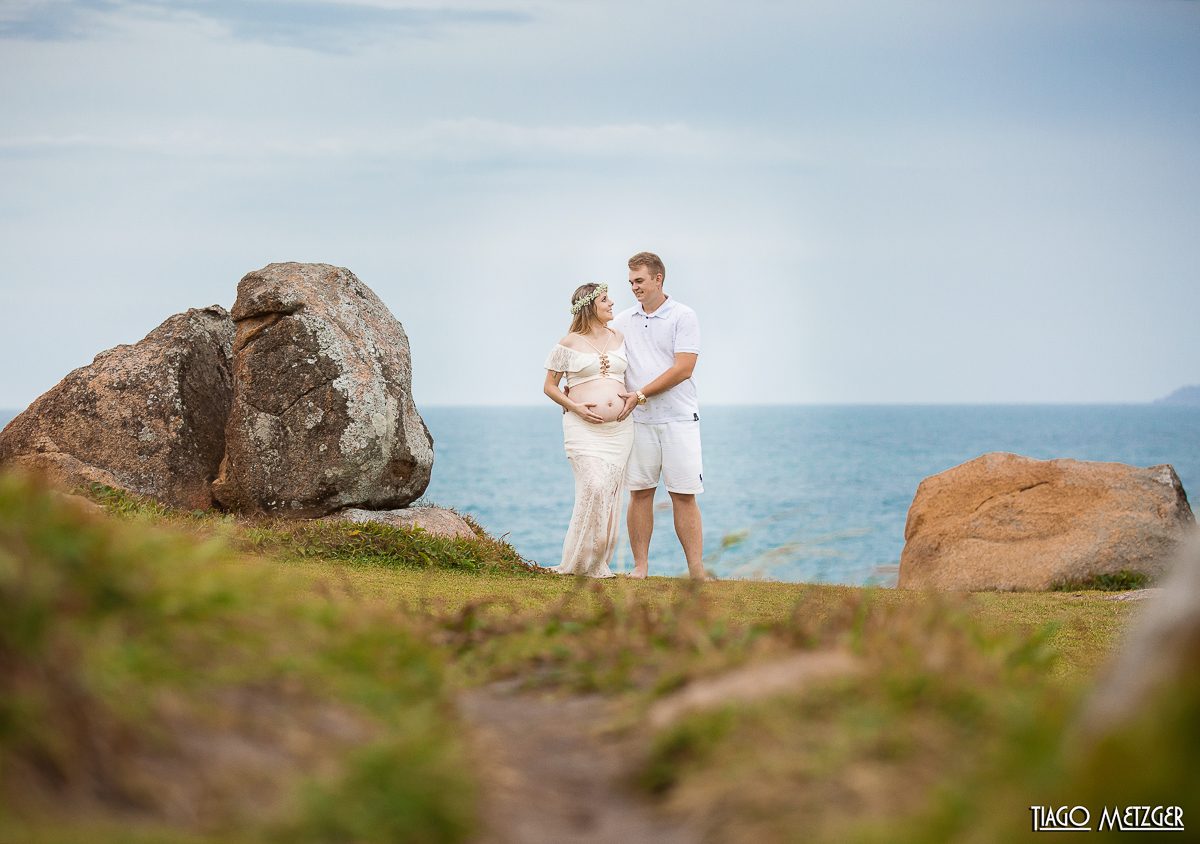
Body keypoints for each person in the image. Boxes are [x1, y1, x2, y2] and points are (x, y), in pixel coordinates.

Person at [611, 252, 711, 580]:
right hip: (638, 421)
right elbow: (602, 358)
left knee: (683, 495)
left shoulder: (684, 316)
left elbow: (684, 369)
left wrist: (640, 394)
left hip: (679, 418)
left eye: (639, 281)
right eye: (630, 282)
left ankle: (696, 571)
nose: (634, 288)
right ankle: (640, 568)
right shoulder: (623, 320)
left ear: (658, 279)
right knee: (639, 493)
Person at [542, 283, 636, 577]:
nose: (612, 304)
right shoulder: (568, 342)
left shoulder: (619, 337)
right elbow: (549, 387)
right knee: (593, 485)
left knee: (607, 492)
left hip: (619, 431)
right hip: (582, 427)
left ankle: (596, 562)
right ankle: (576, 562)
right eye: (605, 300)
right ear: (589, 306)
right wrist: (575, 405)